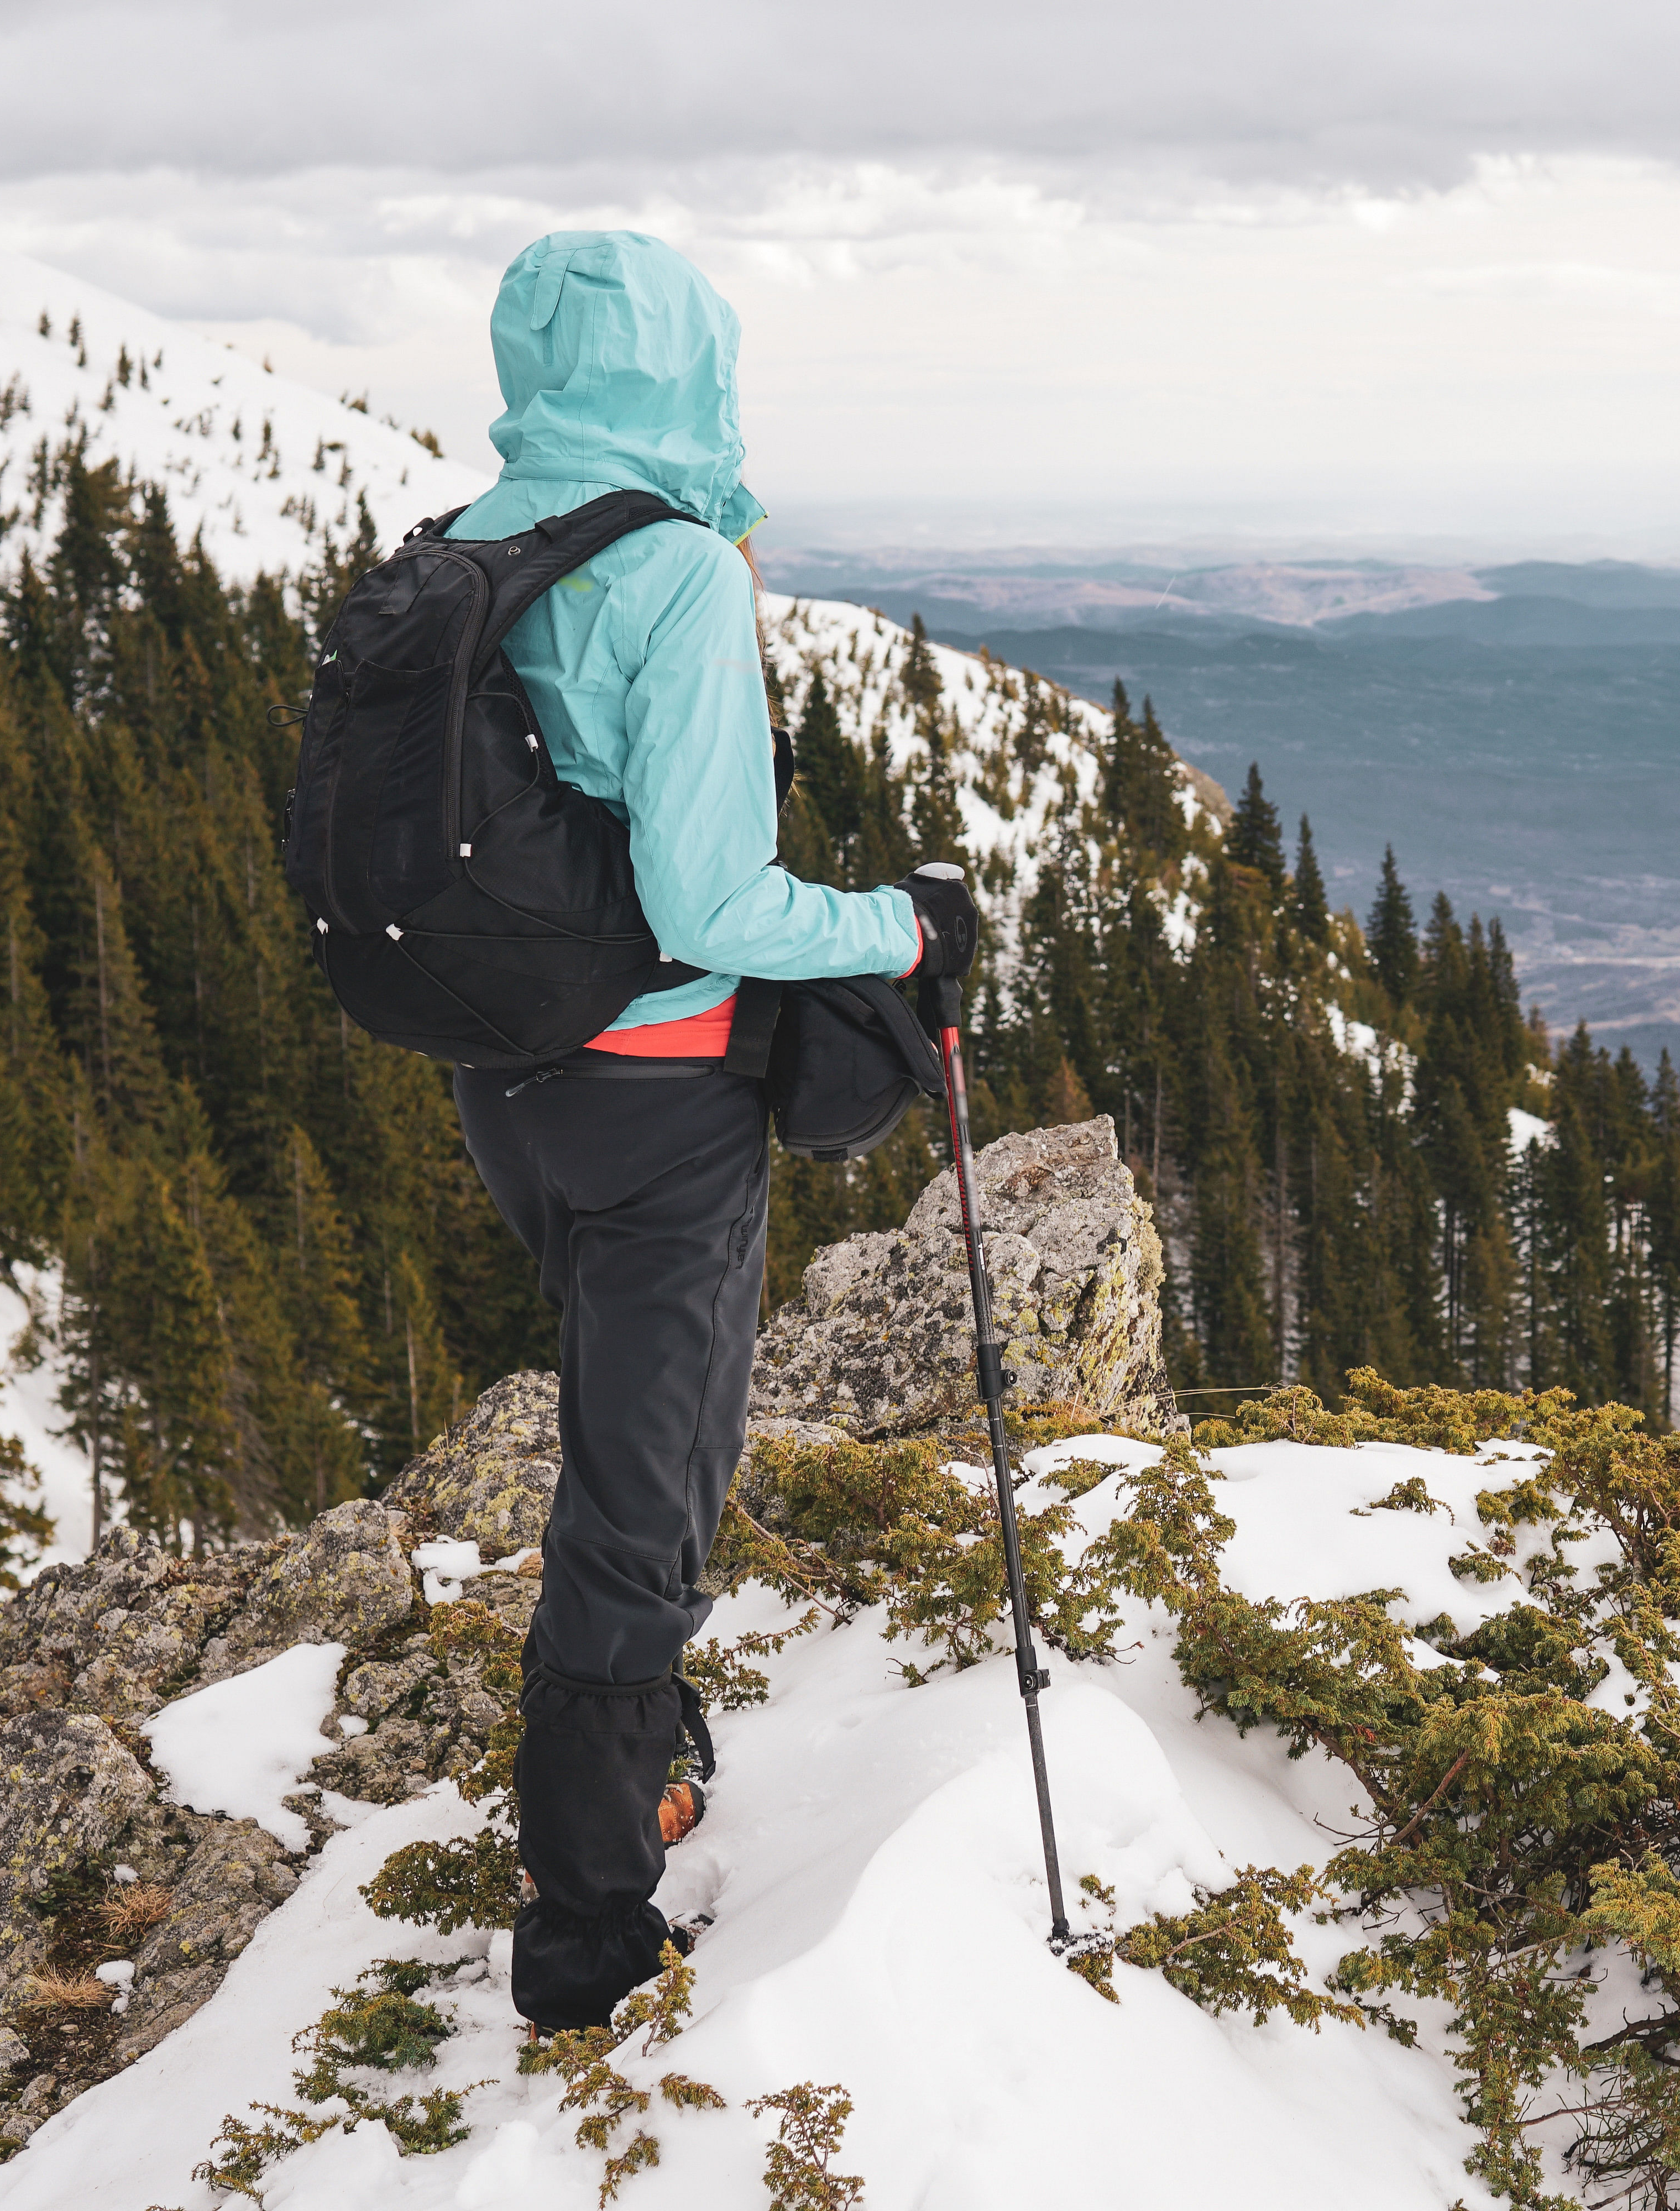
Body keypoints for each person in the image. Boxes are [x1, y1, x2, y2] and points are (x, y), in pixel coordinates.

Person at [442, 230, 976, 2032]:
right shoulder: (667, 571)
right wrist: (900, 929)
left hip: (504, 1082)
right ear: (689, 370)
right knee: (642, 1495)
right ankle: (587, 1918)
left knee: (633, 1422)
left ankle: (640, 1731)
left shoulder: (465, 554)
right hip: (660, 1090)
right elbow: (714, 901)